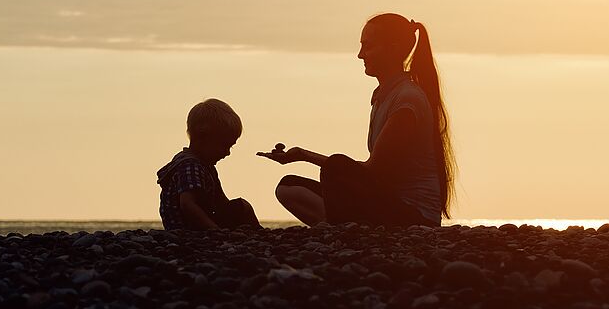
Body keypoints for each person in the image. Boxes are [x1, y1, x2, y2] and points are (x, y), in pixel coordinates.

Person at [258, 13, 457, 227]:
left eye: (368, 47)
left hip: (413, 216)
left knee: (336, 167)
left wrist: (305, 155)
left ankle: (344, 226)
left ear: (393, 48)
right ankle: (345, 225)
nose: (360, 55)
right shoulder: (384, 96)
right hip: (384, 203)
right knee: (289, 188)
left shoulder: (407, 99)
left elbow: (372, 171)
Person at [157, 98, 261, 230]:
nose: (227, 152)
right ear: (203, 137)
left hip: (199, 225)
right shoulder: (190, 165)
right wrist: (215, 231)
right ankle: (259, 235)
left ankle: (256, 235)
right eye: (224, 145)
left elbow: (222, 202)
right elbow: (188, 204)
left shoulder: (206, 166)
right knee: (242, 207)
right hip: (188, 230)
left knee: (240, 208)